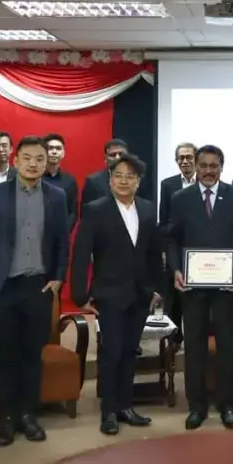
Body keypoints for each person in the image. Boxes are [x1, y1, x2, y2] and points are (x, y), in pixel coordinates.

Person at [0, 136, 70, 447]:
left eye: (39, 159)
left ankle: (29, 415)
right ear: (15, 160)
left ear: (46, 162)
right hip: (3, 287)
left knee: (32, 355)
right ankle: (6, 418)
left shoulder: (57, 196)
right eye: (27, 157)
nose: (33, 164)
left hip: (37, 287)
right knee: (6, 356)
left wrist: (57, 278)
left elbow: (61, 242)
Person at [71, 154, 162, 436]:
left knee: (130, 352)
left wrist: (157, 288)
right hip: (109, 293)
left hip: (140, 295)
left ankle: (125, 405)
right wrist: (80, 296)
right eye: (118, 175)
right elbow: (81, 255)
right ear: (110, 180)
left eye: (130, 177)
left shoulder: (147, 210)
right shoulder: (96, 210)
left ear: (139, 182)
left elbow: (152, 254)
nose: (124, 181)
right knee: (111, 353)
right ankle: (109, 410)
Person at [165, 145, 233, 431]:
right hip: (192, 288)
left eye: (213, 165)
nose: (207, 170)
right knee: (194, 347)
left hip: (227, 287)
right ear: (196, 166)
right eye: (202, 165)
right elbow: (172, 239)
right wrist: (176, 269)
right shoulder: (180, 198)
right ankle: (197, 406)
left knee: (228, 345)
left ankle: (228, 404)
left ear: (221, 167)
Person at [158, 142, 199, 345]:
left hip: (200, 250)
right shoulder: (168, 185)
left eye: (188, 157)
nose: (184, 161)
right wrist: (166, 250)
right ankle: (174, 339)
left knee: (194, 298)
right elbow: (164, 221)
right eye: (180, 158)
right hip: (176, 248)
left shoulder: (207, 181)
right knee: (174, 297)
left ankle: (195, 337)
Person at [41, 133, 80, 228]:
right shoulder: (34, 177)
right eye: (50, 148)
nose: (54, 152)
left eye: (58, 148)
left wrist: (64, 233)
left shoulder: (70, 181)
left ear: (63, 153)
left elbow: (72, 213)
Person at [82, 139, 128, 204]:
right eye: (113, 155)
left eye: (121, 154)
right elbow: (87, 210)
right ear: (105, 158)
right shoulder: (93, 181)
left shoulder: (138, 178)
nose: (117, 158)